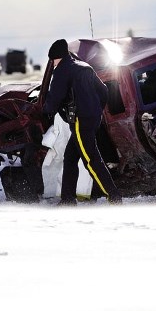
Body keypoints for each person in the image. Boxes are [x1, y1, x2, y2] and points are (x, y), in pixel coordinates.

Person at [42, 39, 122, 205]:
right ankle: (67, 200)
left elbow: (54, 98)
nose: (53, 63)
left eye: (53, 59)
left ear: (57, 57)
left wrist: (44, 112)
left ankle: (114, 198)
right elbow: (104, 91)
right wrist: (96, 111)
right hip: (92, 119)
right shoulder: (84, 67)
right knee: (70, 158)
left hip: (80, 121)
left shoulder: (62, 71)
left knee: (91, 160)